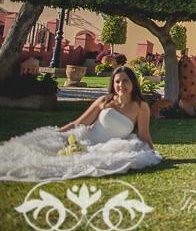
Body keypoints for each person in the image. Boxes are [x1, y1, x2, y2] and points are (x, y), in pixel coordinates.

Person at [0, 67, 162, 182]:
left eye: (125, 81)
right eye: (117, 81)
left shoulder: (141, 106)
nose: (121, 85)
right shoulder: (104, 102)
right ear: (113, 84)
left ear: (133, 83)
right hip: (84, 139)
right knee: (42, 151)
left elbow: (144, 134)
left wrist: (152, 152)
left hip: (109, 147)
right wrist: (58, 133)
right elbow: (79, 123)